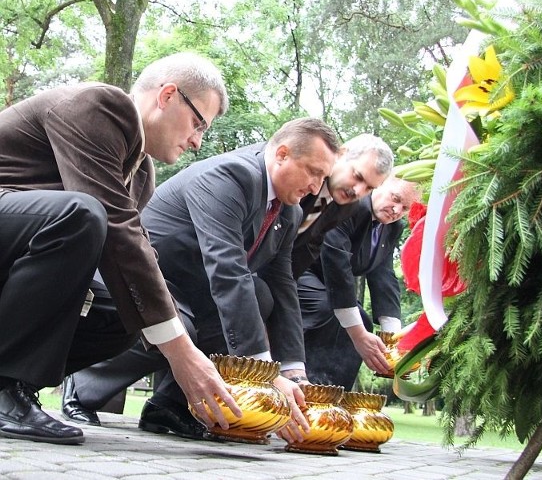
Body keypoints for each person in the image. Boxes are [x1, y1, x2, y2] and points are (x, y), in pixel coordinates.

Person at [0, 52, 245, 445]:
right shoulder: (99, 105)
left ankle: (17, 387)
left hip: (17, 249)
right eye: (199, 123)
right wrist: (181, 353)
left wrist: (172, 334)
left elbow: (128, 258)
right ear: (168, 96)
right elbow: (116, 230)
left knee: (122, 313)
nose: (198, 141)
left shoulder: (140, 174)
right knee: (83, 213)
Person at [61, 118, 340, 441]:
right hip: (145, 277)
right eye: (313, 172)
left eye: (324, 177)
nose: (317, 187)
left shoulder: (288, 213)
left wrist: (294, 370)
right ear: (281, 154)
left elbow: (284, 286)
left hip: (196, 290)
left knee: (261, 294)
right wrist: (262, 373)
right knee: (181, 323)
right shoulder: (231, 176)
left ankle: (169, 406)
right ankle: (82, 384)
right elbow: (227, 269)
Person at [298, 176, 421, 389]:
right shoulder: (349, 207)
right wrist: (357, 334)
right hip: (300, 270)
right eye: (395, 199)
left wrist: (393, 338)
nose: (396, 210)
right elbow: (337, 263)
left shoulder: (393, 228)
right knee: (329, 312)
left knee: (361, 321)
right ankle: (303, 379)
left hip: (329, 283)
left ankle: (332, 393)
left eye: (405, 208)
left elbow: (383, 274)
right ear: (381, 183)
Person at [292, 134, 394, 279]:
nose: (358, 191)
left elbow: (305, 251)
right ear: (340, 154)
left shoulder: (348, 207)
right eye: (358, 176)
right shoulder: (300, 173)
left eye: (369, 188)